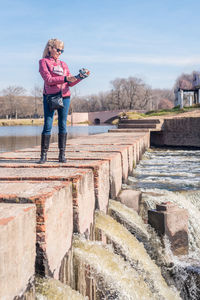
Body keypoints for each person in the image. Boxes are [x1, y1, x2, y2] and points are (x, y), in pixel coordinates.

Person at [38, 38, 90, 164]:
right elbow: (48, 80)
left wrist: (80, 77)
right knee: (48, 125)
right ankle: (43, 156)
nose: (60, 52)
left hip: (65, 96)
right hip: (50, 96)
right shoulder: (43, 62)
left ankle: (62, 155)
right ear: (50, 48)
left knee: (63, 125)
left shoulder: (63, 64)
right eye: (58, 49)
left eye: (62, 50)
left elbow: (70, 83)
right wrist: (66, 78)